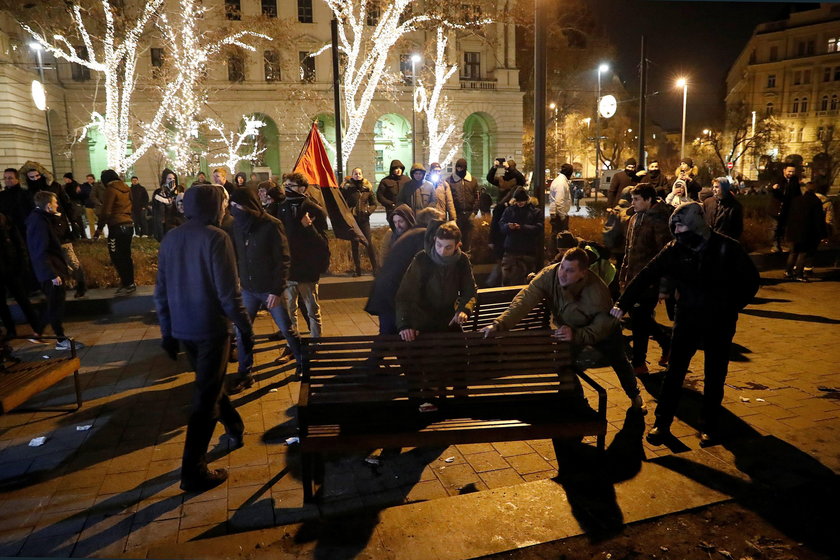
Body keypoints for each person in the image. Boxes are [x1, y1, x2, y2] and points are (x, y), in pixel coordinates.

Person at [611, 202, 759, 446]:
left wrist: (730, 306)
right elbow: (647, 274)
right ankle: (662, 422)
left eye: (682, 228)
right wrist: (622, 303)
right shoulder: (676, 248)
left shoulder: (727, 247)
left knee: (715, 373)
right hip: (687, 318)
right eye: (675, 229)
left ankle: (709, 424)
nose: (678, 234)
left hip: (719, 321)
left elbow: (750, 281)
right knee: (675, 371)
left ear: (697, 225)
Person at [154, 184, 253, 492]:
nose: (226, 208)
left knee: (211, 384)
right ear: (213, 206)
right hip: (210, 329)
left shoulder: (172, 237)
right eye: (223, 203)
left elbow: (161, 291)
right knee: (205, 399)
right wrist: (246, 327)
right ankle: (193, 470)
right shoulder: (216, 237)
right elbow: (228, 294)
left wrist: (168, 331)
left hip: (184, 328)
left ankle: (235, 426)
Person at [482, 247, 645, 410]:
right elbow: (525, 300)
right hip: (569, 328)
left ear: (583, 273)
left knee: (619, 361)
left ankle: (634, 395)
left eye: (570, 270)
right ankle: (579, 402)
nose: (562, 273)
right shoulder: (549, 275)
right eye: (562, 267)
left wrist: (575, 334)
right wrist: (499, 324)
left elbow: (601, 327)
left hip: (602, 332)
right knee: (563, 362)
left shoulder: (596, 292)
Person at [226, 187, 302, 393]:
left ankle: (303, 364)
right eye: (232, 206)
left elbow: (283, 259)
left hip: (270, 289)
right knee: (243, 332)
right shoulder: (237, 226)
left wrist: (276, 290)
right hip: (248, 289)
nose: (234, 210)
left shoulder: (271, 225)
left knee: (287, 328)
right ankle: (245, 373)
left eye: (238, 206)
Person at [618, 184, 673, 375]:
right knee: (639, 318)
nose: (632, 203)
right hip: (633, 278)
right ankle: (666, 342)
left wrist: (663, 286)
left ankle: (639, 362)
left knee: (640, 319)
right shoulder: (634, 218)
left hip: (650, 280)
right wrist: (624, 276)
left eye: (636, 199)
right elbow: (629, 250)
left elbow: (665, 254)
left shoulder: (659, 220)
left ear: (649, 199)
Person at [365, 207, 443, 335]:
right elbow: (423, 267)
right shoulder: (422, 235)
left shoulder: (414, 233)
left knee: (391, 334)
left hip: (387, 291)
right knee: (390, 334)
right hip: (392, 294)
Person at [395, 221, 477, 341]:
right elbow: (405, 294)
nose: (442, 251)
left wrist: (464, 310)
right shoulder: (422, 259)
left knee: (460, 355)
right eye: (439, 245)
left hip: (449, 320)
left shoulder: (462, 260)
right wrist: (405, 324)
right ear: (434, 240)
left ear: (457, 245)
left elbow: (470, 290)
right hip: (422, 321)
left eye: (448, 247)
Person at [26, 191, 83, 351]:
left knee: (52, 303)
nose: (58, 205)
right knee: (56, 305)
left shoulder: (42, 219)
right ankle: (60, 339)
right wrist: (52, 274)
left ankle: (37, 332)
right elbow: (40, 250)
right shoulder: (39, 222)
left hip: (50, 269)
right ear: (48, 205)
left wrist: (56, 217)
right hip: (50, 271)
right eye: (55, 202)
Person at [276, 173, 330, 339]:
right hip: (290, 269)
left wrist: (309, 227)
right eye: (285, 185)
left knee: (312, 309)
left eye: (290, 185)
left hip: (307, 270)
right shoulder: (282, 207)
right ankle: (292, 346)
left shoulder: (314, 209)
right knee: (290, 311)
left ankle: (316, 343)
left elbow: (322, 243)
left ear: (302, 188)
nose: (286, 188)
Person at [95, 170, 136, 296]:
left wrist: (99, 228)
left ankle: (126, 282)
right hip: (128, 225)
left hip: (116, 227)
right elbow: (132, 204)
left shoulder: (110, 190)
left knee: (116, 255)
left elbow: (106, 211)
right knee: (126, 255)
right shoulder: (127, 188)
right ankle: (129, 283)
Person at [0, 212, 40, 340]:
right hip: (7, 267)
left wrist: (22, 264)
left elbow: (19, 245)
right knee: (3, 305)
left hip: (11, 268)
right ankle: (11, 330)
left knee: (22, 299)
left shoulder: (6, 221)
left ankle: (36, 326)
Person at [499, 187, 544, 286]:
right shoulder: (509, 210)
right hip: (511, 249)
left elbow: (538, 228)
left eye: (522, 201)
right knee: (507, 278)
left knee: (527, 280)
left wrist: (522, 227)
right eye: (518, 201)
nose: (520, 203)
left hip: (527, 250)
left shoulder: (535, 212)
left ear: (527, 199)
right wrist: (508, 226)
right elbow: (501, 225)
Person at [784, 181, 827, 282]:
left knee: (793, 252)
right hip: (806, 232)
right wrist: (823, 234)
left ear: (806, 189)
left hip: (793, 231)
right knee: (803, 253)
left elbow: (790, 215)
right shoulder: (816, 202)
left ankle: (788, 271)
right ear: (815, 190)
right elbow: (818, 220)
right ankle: (799, 274)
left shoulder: (797, 200)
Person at [340, 168, 378, 277]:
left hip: (364, 220)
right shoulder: (348, 188)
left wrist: (368, 211)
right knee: (355, 245)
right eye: (355, 174)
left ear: (362, 175)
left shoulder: (367, 188)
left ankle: (375, 268)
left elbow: (374, 203)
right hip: (353, 221)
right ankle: (358, 270)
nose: (357, 175)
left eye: (359, 173)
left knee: (368, 244)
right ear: (352, 175)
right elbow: (341, 200)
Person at [444, 158, 479, 252]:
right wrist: (451, 215)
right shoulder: (450, 180)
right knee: (456, 238)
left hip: (469, 214)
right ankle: (457, 257)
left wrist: (474, 212)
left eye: (462, 167)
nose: (460, 169)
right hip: (457, 214)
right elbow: (448, 199)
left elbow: (477, 197)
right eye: (458, 167)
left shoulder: (472, 181)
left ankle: (467, 257)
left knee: (468, 239)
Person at [770, 163, 802, 252]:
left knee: (785, 228)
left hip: (788, 209)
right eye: (789, 171)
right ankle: (775, 245)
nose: (791, 173)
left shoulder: (794, 181)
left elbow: (797, 194)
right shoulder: (778, 179)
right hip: (777, 208)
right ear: (784, 170)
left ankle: (783, 244)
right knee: (775, 227)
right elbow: (771, 189)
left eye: (793, 172)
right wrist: (774, 188)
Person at [0, 168, 35, 241]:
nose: (7, 180)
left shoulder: (26, 194)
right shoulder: (2, 195)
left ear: (17, 179)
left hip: (24, 231)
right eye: (5, 178)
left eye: (10, 178)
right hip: (8, 233)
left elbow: (32, 212)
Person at [152, 169, 182, 242]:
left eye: (174, 178)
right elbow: (157, 211)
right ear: (165, 180)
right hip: (164, 224)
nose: (172, 180)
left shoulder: (179, 191)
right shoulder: (159, 193)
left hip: (177, 223)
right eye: (169, 179)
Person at [549, 163, 573, 237]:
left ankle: (554, 248)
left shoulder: (559, 180)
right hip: (559, 214)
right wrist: (563, 217)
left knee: (557, 235)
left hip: (557, 213)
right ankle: (554, 248)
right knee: (559, 236)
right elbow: (559, 201)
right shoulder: (561, 183)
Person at [62, 173, 86, 238]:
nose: (64, 180)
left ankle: (82, 235)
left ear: (69, 178)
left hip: (76, 204)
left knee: (78, 219)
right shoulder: (66, 186)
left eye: (65, 178)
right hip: (70, 204)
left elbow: (80, 196)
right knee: (73, 220)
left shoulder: (76, 185)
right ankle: (76, 234)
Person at [82, 174, 101, 239]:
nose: (89, 180)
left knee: (100, 221)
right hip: (88, 205)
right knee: (91, 222)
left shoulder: (97, 186)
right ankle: (93, 235)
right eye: (88, 179)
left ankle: (101, 235)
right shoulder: (84, 186)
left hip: (96, 206)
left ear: (93, 179)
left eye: (91, 179)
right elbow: (83, 195)